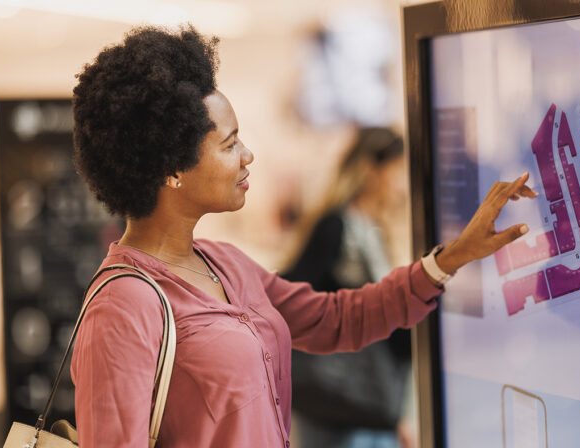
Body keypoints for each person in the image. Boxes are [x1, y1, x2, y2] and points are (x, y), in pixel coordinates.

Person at [70, 25, 535, 448]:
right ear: (172, 167)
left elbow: (336, 318)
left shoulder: (225, 263)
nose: (248, 155)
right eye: (230, 144)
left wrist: (450, 258)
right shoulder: (122, 307)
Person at [283, 127, 415, 448]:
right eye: (398, 172)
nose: (402, 186)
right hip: (340, 399)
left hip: (368, 401)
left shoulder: (370, 229)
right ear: (372, 172)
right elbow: (294, 293)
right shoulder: (338, 227)